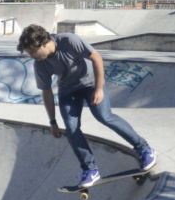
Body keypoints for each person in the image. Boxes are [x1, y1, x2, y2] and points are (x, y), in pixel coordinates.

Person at [17, 24, 155, 188]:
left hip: (91, 83)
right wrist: (52, 121)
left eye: (33, 52)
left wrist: (98, 88)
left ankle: (144, 148)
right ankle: (90, 169)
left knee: (104, 116)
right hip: (68, 90)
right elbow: (46, 92)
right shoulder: (40, 64)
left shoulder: (69, 40)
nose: (32, 56)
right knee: (71, 128)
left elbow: (96, 57)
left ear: (44, 43)